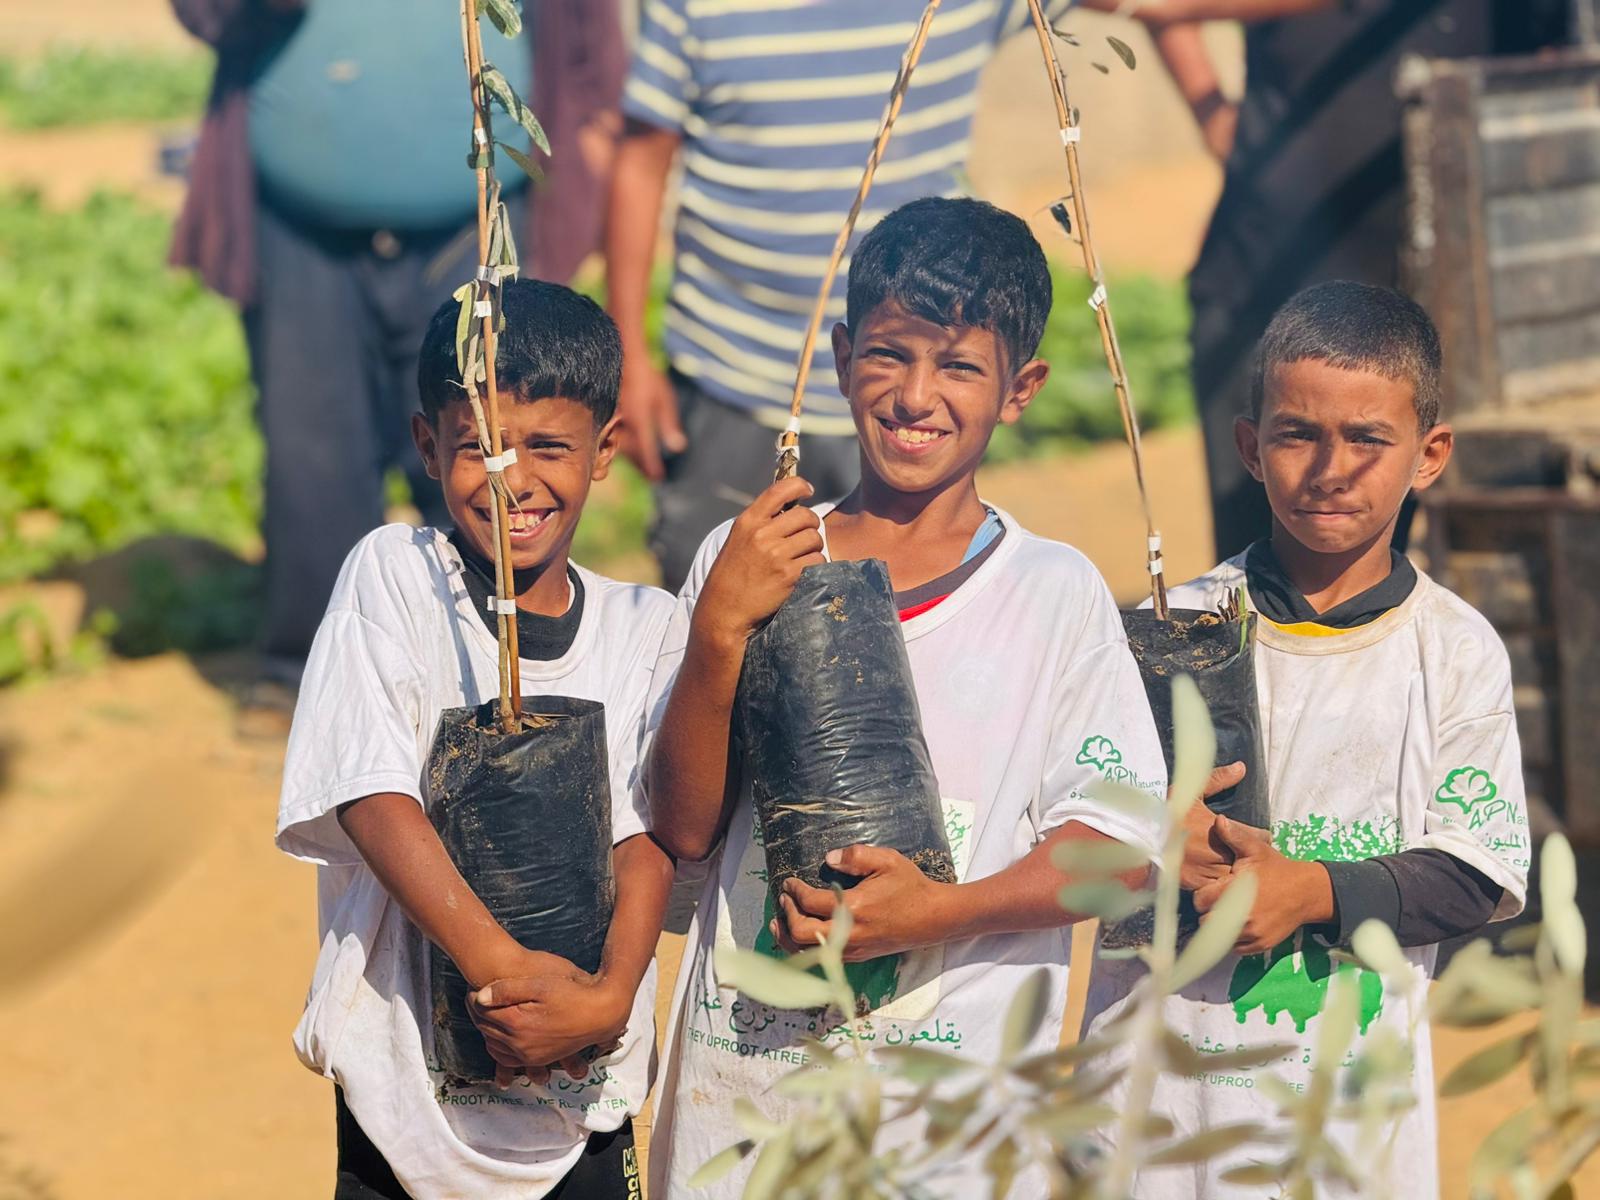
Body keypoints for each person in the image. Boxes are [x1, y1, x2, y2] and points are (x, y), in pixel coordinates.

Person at [639, 197, 1190, 1197]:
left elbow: (1119, 857)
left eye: (960, 367)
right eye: (888, 355)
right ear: (843, 356)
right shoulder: (752, 559)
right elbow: (680, 829)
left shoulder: (1051, 592)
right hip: (748, 1109)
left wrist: (934, 913)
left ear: (1021, 389)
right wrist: (719, 630)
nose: (914, 395)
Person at [1083, 281, 1531, 1197]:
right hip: (1158, 1113)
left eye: (1368, 438)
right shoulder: (1170, 633)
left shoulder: (1453, 649)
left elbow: (1476, 873)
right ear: (1250, 447)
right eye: (1297, 435)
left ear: (1429, 454)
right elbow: (1073, 827)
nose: (1332, 469)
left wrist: (1312, 890)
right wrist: (1148, 839)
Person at [273, 281, 674, 1199]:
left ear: (606, 449)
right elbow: (370, 792)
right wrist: (505, 975)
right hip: (405, 1095)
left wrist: (606, 997)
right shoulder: (396, 577)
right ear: (427, 446)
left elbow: (645, 836)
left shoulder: (645, 627)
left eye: (549, 447)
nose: (510, 480)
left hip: (585, 1091)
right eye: (478, 448)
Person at [169, 0, 625, 722]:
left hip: (476, 223)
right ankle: (309, 679)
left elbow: (589, 48)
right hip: (299, 230)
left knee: (490, 454)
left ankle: (498, 674)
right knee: (311, 462)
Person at [605, 0, 1073, 593]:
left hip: (907, 394)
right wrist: (627, 357)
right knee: (717, 597)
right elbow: (641, 161)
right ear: (842, 357)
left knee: (899, 616)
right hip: (732, 371)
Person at [1102, 0, 1570, 559]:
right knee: (1266, 558)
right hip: (1267, 277)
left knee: (1467, 556)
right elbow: (1156, 6)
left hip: (1462, 300)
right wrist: (1216, 120)